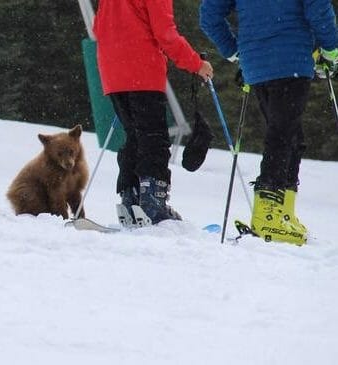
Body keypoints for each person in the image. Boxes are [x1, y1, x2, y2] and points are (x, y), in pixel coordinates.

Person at [200, 0, 338, 245]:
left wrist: (235, 50)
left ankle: (283, 209)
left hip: (257, 64)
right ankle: (267, 212)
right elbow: (317, 8)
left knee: (290, 135)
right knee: (283, 135)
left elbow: (209, 16)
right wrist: (331, 48)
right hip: (291, 58)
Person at [93, 0, 213, 226]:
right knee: (153, 139)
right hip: (142, 69)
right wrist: (196, 63)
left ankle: (130, 197)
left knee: (135, 137)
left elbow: (98, 27)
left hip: (112, 72)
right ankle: (152, 202)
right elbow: (165, 33)